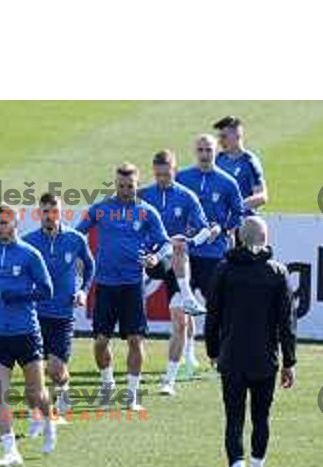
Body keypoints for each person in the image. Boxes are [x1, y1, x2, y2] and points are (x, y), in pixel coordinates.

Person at [205, 216, 297, 467]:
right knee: (261, 419)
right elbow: (287, 322)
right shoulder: (277, 272)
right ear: (265, 239)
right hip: (264, 360)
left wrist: (212, 351)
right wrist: (289, 361)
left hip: (231, 358)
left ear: (238, 238)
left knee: (233, 421)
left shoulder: (224, 270)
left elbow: (213, 316)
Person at [76, 162, 171, 410]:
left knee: (135, 341)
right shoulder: (101, 208)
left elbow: (166, 244)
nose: (125, 190)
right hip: (105, 285)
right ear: (114, 183)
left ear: (137, 184)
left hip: (132, 285)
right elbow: (77, 235)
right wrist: (79, 257)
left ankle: (131, 394)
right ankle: (107, 385)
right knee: (100, 342)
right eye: (121, 185)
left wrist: (155, 258)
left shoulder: (147, 212)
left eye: (130, 186)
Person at [0, 206, 56, 466]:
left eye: (4, 223)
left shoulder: (31, 255)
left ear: (15, 224)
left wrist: (18, 296)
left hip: (26, 332)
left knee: (35, 394)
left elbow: (47, 290)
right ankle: (10, 451)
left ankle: (49, 421)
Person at [138, 149, 211, 396]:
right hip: (151, 260)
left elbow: (204, 228)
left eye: (166, 174)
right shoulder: (143, 195)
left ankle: (169, 380)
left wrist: (191, 241)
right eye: (158, 175)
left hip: (175, 260)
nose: (162, 179)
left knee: (179, 321)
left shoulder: (187, 196)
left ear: (174, 170)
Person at [176, 134, 244, 374]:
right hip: (186, 253)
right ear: (195, 152)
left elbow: (238, 213)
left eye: (209, 150)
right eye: (201, 150)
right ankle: (188, 354)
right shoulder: (182, 177)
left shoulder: (227, 182)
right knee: (184, 306)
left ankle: (220, 354)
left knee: (218, 308)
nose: (205, 155)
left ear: (217, 152)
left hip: (215, 254)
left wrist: (222, 228)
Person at [23, 193, 95, 419]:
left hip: (63, 315)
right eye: (45, 212)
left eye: (54, 212)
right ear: (39, 214)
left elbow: (90, 266)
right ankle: (39, 415)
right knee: (34, 370)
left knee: (56, 370)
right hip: (34, 315)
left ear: (61, 213)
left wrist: (83, 290)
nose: (49, 216)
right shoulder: (28, 241)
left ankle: (63, 390)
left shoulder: (75, 239)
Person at [213, 115, 268, 215]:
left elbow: (262, 196)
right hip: (221, 223)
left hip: (243, 222)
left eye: (224, 136)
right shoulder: (218, 160)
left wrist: (237, 207)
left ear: (237, 135)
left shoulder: (249, 161)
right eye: (219, 137)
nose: (220, 141)